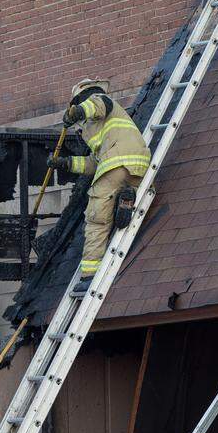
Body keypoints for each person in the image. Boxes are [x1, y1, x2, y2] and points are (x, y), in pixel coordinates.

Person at [47, 79, 152, 294]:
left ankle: (89, 274)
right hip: (135, 166)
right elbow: (95, 163)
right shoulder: (96, 127)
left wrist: (75, 112)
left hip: (116, 162)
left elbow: (95, 105)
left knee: (97, 215)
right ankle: (125, 198)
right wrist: (66, 163)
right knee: (111, 195)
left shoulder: (100, 101)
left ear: (80, 99)